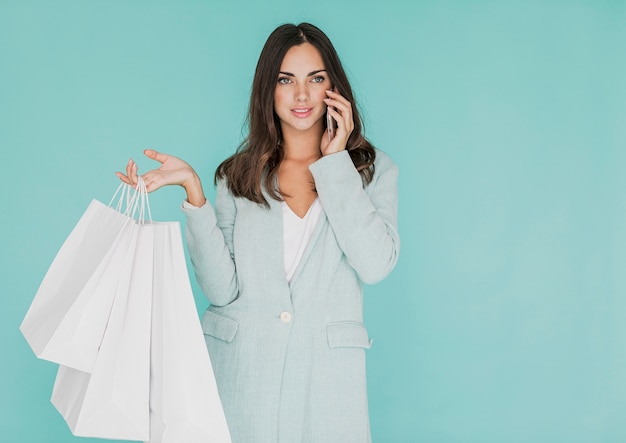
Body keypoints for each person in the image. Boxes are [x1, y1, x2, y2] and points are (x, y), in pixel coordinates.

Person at [117, 22, 399, 443]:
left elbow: (376, 265)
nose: (302, 95)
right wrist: (196, 195)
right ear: (268, 89)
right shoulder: (238, 176)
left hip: (325, 384)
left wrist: (336, 164)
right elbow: (221, 290)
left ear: (334, 89)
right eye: (286, 80)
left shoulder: (370, 171)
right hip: (242, 377)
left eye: (315, 79)